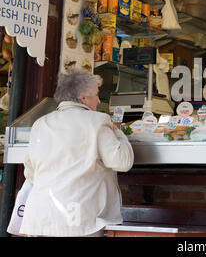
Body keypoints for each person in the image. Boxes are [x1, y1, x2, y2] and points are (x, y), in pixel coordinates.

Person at [19, 69, 134, 237]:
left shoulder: (40, 124)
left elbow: (30, 173)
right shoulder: (98, 121)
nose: (99, 100)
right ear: (83, 97)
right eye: (96, 94)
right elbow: (122, 161)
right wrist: (118, 132)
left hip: (41, 217)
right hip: (79, 219)